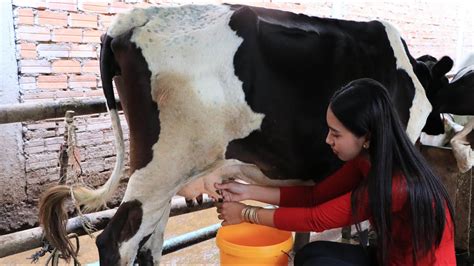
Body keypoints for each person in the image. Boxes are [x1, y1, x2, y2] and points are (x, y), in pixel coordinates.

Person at [215, 78, 455, 265]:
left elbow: (315, 219)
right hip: (389, 258)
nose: (328, 139)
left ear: (366, 137)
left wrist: (246, 214)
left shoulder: (396, 184)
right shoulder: (370, 160)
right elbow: (315, 196)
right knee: (310, 255)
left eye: (336, 134)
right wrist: (246, 191)